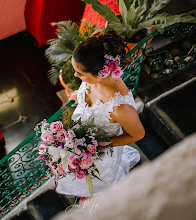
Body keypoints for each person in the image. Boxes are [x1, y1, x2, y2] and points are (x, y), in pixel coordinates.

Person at [55, 31, 145, 200]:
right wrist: (78, 94)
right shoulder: (93, 77)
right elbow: (86, 88)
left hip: (98, 150)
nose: (76, 76)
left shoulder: (120, 108)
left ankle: (96, 191)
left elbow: (138, 134)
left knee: (95, 177)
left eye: (80, 74)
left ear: (100, 73)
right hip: (80, 135)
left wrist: (101, 145)